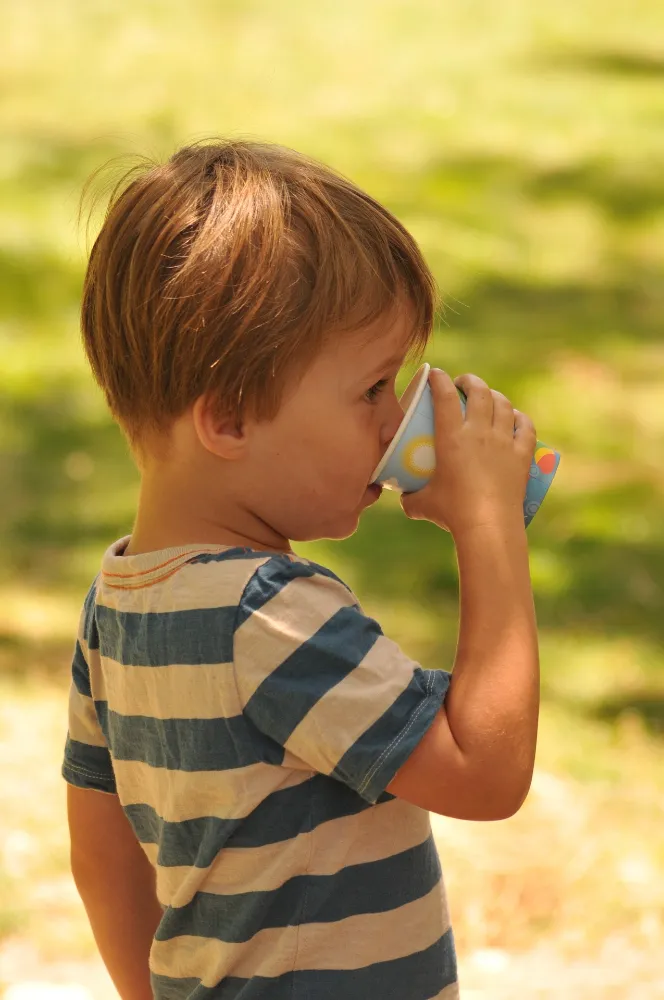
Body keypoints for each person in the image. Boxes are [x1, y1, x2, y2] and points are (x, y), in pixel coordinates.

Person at [62, 139, 539, 1000]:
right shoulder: (275, 615)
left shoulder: (120, 602)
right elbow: (486, 771)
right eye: (373, 390)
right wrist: (489, 528)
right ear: (232, 418)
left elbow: (101, 850)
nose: (396, 421)